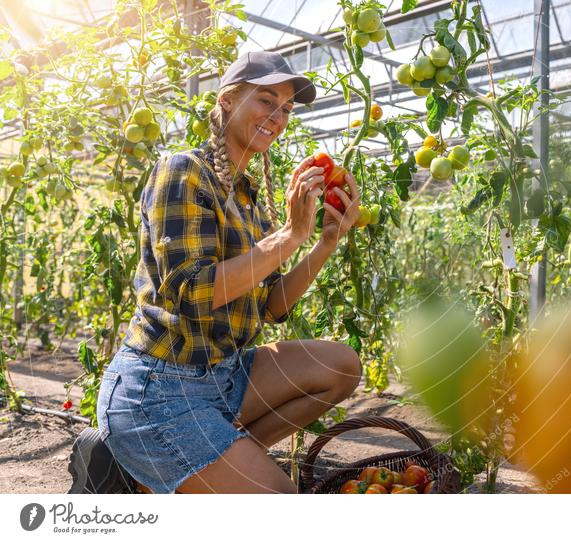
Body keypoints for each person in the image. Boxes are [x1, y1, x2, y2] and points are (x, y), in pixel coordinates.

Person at [66, 51, 363, 494]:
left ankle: (168, 474)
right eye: (266, 100)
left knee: (341, 366)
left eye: (285, 109)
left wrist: (324, 241)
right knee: (279, 500)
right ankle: (159, 466)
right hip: (160, 390)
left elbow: (273, 306)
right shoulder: (182, 171)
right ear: (227, 100)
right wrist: (289, 236)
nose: (277, 117)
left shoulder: (246, 196)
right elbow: (194, 294)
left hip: (224, 374)